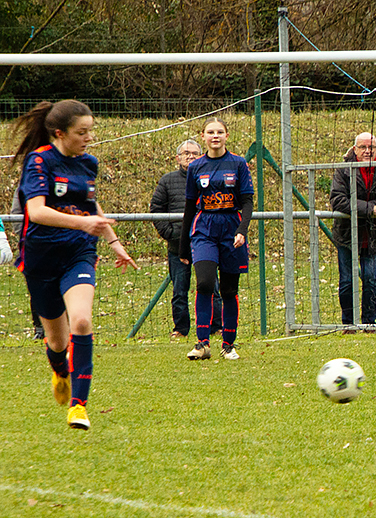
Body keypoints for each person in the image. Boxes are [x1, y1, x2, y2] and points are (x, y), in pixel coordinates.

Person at [12, 99, 138, 430]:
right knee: (57, 342)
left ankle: (78, 407)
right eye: (82, 132)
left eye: (91, 132)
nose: (89, 138)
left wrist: (113, 242)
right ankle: (58, 368)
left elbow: (91, 206)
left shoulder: (88, 164)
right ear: (59, 133)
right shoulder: (39, 161)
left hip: (79, 253)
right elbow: (36, 212)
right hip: (40, 258)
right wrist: (83, 224)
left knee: (81, 320)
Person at [180, 117, 253, 361]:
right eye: (210, 132)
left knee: (230, 289)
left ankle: (228, 344)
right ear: (203, 136)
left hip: (231, 228)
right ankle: (201, 343)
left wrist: (242, 229)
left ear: (226, 136)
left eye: (219, 132)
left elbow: (247, 201)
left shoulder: (238, 164)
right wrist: (183, 244)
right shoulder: (195, 167)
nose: (215, 136)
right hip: (204, 229)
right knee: (205, 283)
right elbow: (190, 206)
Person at [150, 139, 221, 339]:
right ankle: (181, 329)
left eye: (195, 153)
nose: (190, 156)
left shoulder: (210, 178)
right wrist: (171, 234)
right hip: (177, 246)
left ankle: (216, 327)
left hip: (205, 243)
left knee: (211, 286)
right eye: (186, 153)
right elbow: (156, 209)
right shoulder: (167, 181)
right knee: (180, 291)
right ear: (178, 157)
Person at [329, 132, 376, 333]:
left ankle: (369, 323)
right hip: (346, 233)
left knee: (370, 278)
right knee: (347, 280)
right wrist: (369, 209)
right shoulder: (343, 169)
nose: (367, 151)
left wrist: (371, 208)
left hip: (374, 234)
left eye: (371, 147)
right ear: (355, 149)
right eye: (363, 147)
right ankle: (348, 324)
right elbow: (337, 200)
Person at [11, 186, 44, 339]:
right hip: (32, 246)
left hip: (59, 246)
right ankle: (39, 328)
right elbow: (16, 214)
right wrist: (26, 238)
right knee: (37, 288)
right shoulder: (24, 187)